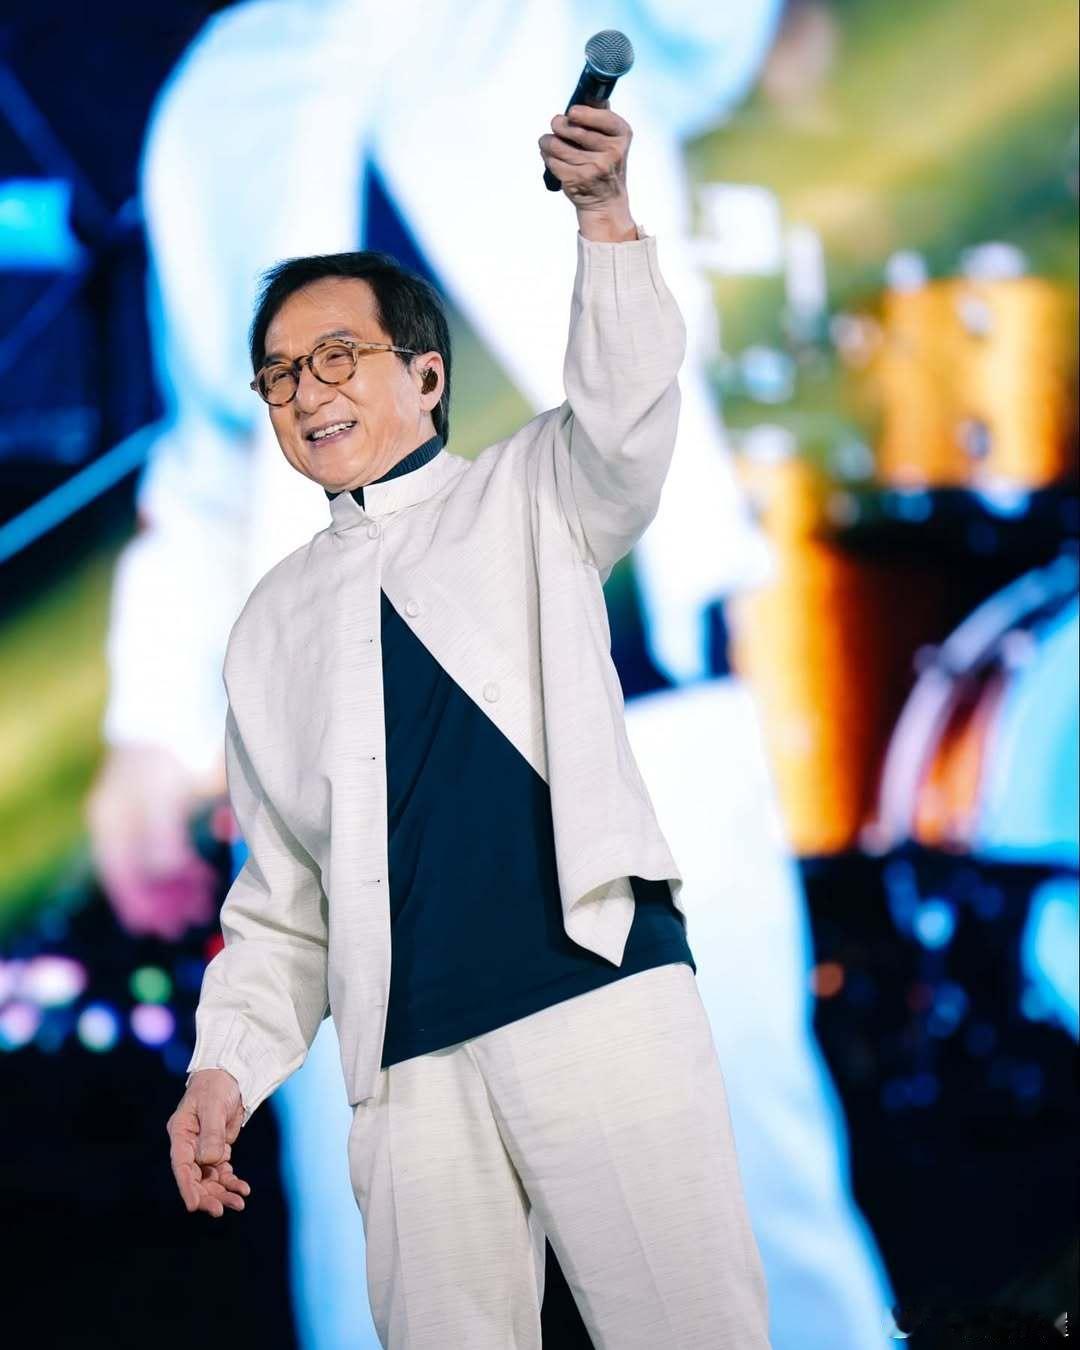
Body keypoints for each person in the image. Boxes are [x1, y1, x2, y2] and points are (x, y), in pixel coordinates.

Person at [94, 4, 895, 1347]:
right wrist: (150, 725)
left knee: (741, 1246)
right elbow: (214, 445)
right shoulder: (225, 94)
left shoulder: (569, 15)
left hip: (631, 721)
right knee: (398, 1277)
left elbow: (770, 37)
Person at [166, 104, 771, 1349]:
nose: (307, 392)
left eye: (338, 356)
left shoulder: (534, 487)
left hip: (593, 989)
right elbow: (281, 904)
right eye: (281, 374)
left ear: (426, 376)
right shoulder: (267, 629)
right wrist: (223, 1065)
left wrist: (604, 218)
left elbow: (626, 409)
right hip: (408, 1067)